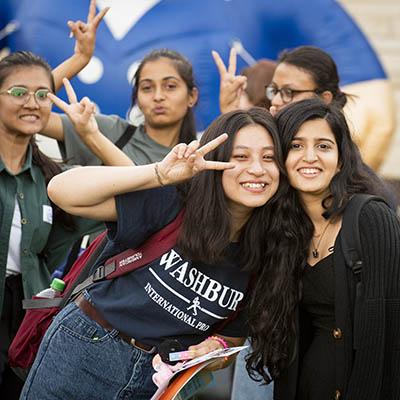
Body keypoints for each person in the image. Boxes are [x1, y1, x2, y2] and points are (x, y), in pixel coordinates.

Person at [20, 100, 286, 399]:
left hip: (158, 381)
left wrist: (215, 349)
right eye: (240, 156)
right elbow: (61, 191)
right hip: (87, 346)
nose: (257, 169)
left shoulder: (270, 250)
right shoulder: (174, 202)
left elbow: (231, 338)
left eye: (269, 158)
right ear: (215, 160)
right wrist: (159, 173)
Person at [246, 98, 400, 399]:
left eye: (324, 146)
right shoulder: (283, 229)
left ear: (341, 159)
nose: (310, 157)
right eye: (296, 145)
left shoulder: (371, 216)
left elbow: (387, 329)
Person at [0, 50, 114, 399]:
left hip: (23, 320)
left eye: (43, 95)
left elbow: (131, 207)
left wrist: (92, 136)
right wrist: (80, 58)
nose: (32, 103)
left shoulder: (55, 181)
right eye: (18, 93)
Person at [42, 47, 199, 167]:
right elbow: (29, 115)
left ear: (192, 97)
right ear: (136, 98)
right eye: (147, 88)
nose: (158, 96)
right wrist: (79, 59)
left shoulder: (198, 157)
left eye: (170, 86)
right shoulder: (107, 130)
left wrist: (225, 111)